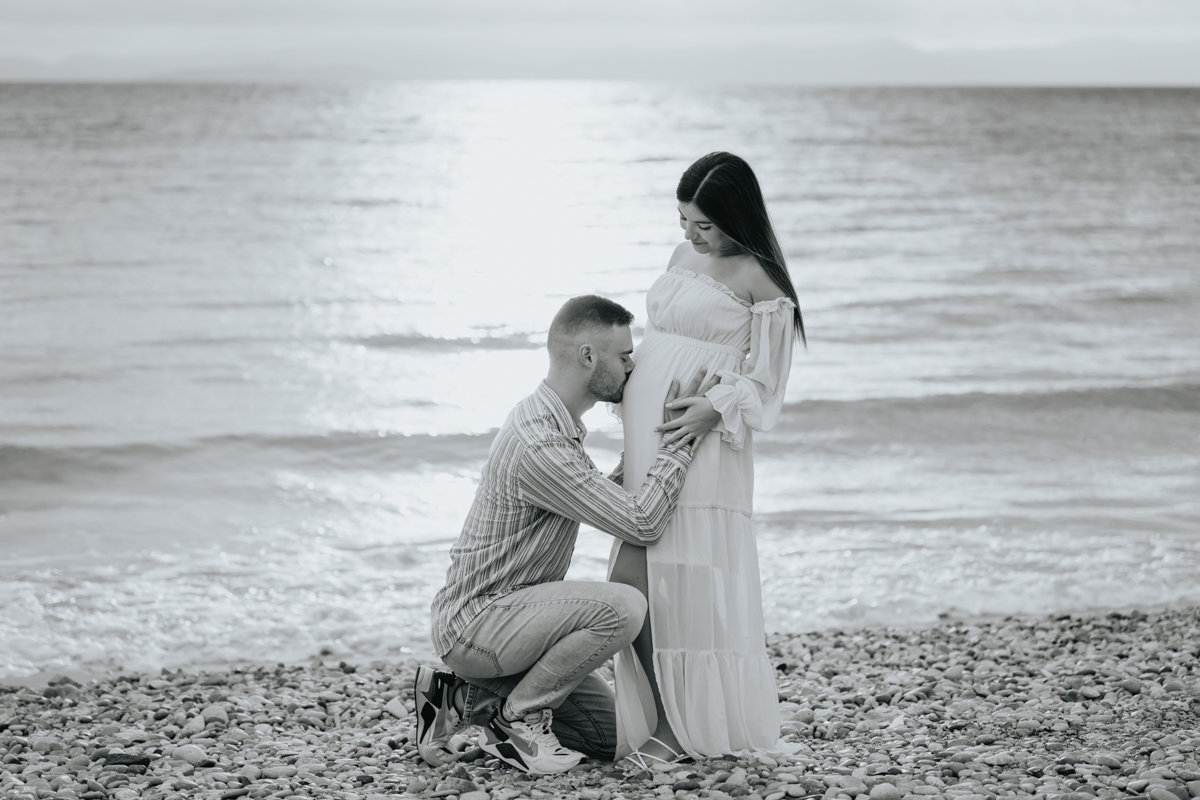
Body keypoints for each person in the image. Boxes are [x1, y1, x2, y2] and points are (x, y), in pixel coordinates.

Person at [416, 295, 718, 775]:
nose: (631, 365)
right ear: (587, 357)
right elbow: (641, 522)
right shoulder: (540, 442)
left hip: (517, 622)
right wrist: (681, 444)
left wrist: (658, 435)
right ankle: (517, 720)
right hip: (479, 625)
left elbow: (603, 497)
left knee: (613, 737)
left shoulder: (556, 424)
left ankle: (461, 701)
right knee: (624, 606)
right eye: (624, 356)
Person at [608, 152, 805, 765]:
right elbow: (655, 346)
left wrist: (712, 410)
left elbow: (766, 384)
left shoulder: (759, 278)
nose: (690, 235)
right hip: (650, 439)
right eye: (683, 220)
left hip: (701, 444)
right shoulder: (680, 257)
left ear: (735, 217)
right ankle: (658, 717)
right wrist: (628, 431)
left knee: (677, 582)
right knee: (630, 579)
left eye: (703, 225)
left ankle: (676, 726)